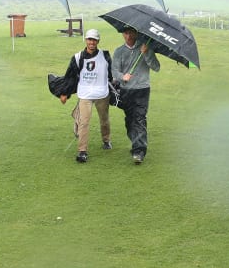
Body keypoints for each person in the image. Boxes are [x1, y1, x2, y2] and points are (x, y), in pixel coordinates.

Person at [61, 28, 113, 163]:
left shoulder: (105, 55)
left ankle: (106, 140)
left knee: (104, 120)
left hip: (102, 93)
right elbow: (70, 76)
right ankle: (82, 151)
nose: (92, 42)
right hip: (85, 94)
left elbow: (111, 74)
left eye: (94, 40)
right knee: (84, 122)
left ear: (98, 41)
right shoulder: (78, 57)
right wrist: (64, 93)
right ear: (86, 40)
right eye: (90, 39)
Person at [111, 26, 160, 165]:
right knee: (130, 120)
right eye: (125, 33)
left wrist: (146, 54)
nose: (128, 36)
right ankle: (135, 143)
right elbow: (114, 71)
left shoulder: (145, 48)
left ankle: (139, 150)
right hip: (126, 90)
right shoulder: (119, 51)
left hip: (142, 89)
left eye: (131, 32)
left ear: (136, 33)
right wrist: (122, 76)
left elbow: (156, 67)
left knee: (139, 118)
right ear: (122, 34)